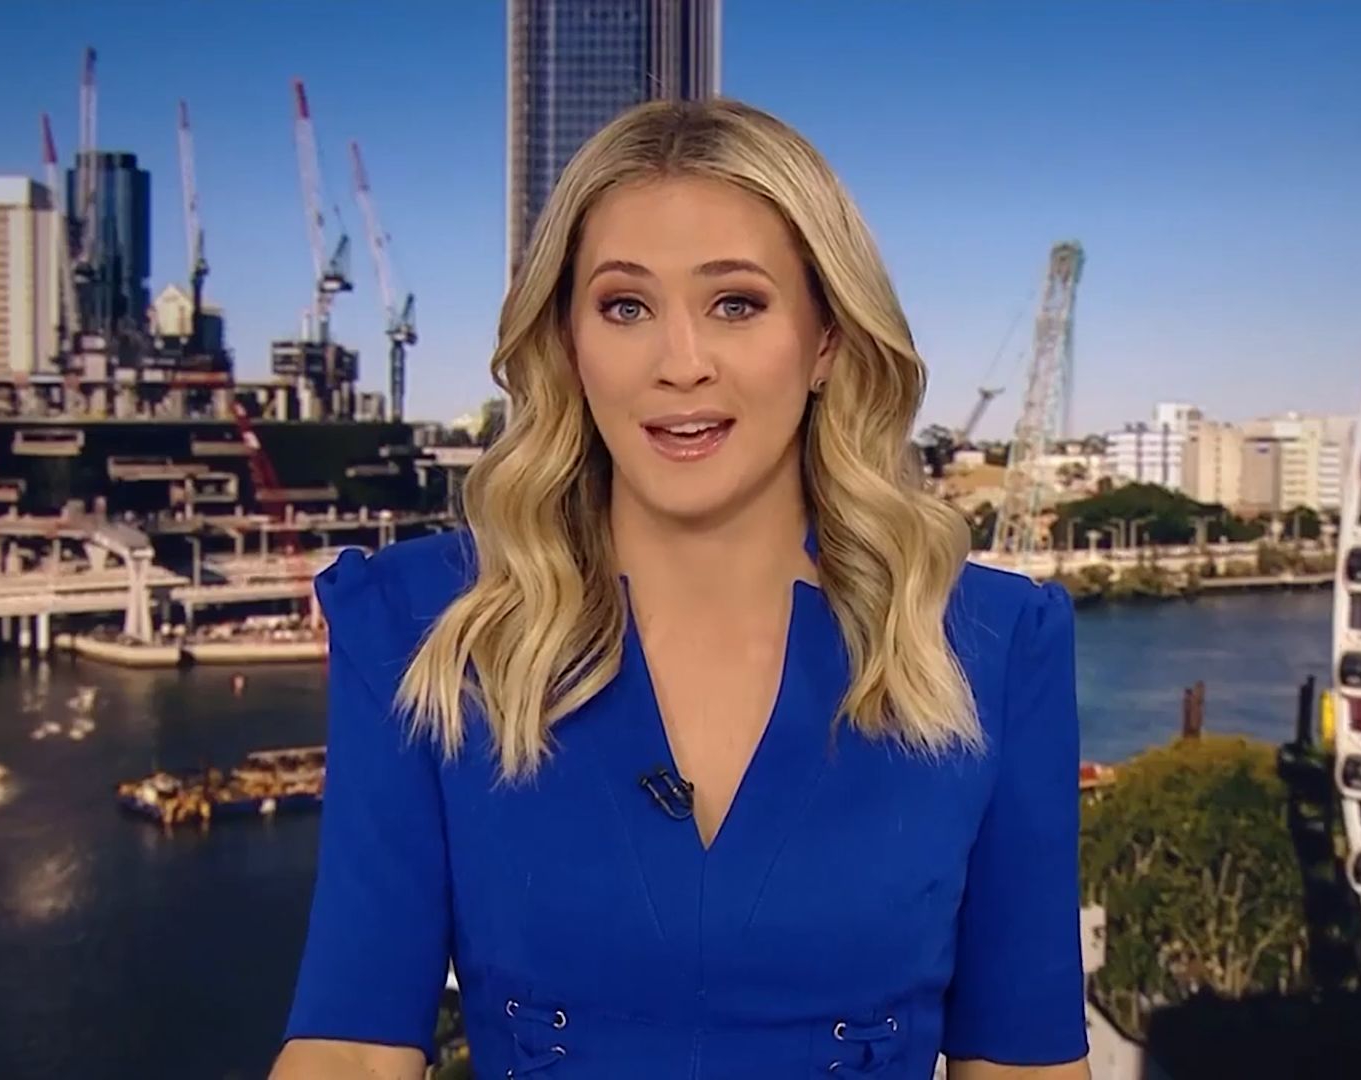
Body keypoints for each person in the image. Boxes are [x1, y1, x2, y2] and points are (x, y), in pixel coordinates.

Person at [272, 98, 1090, 1080]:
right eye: (626, 307)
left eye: (736, 304)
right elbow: (353, 1051)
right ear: (568, 343)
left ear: (827, 339)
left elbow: (1022, 1065)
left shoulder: (993, 649)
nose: (681, 365)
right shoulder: (418, 631)